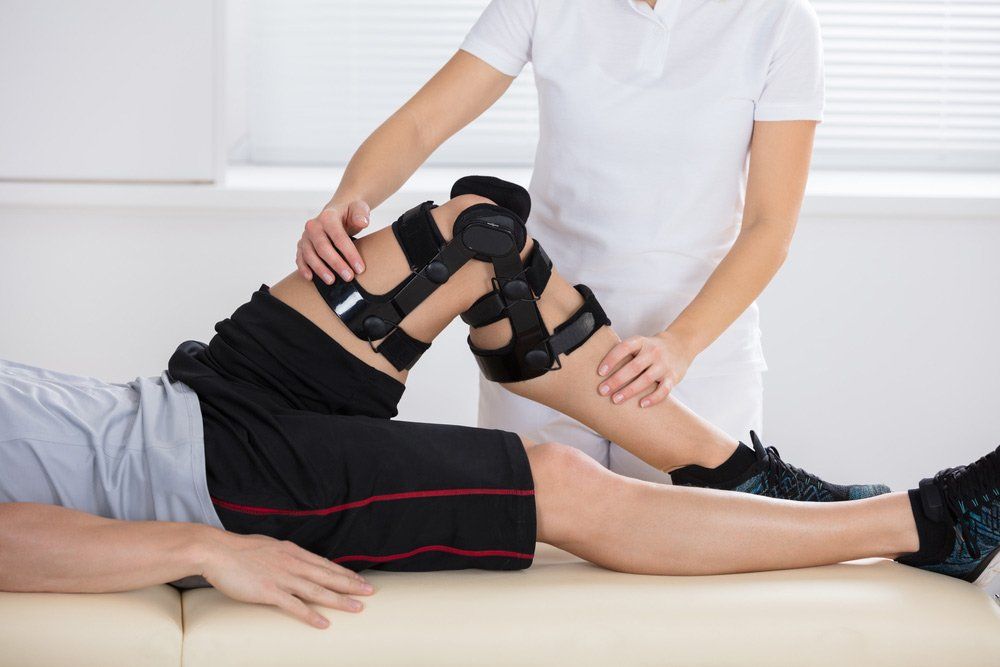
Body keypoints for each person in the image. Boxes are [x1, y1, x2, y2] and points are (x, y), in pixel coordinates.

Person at [1, 185, 997, 631]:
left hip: (196, 396)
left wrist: (347, 197)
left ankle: (746, 477)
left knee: (476, 234)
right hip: (215, 482)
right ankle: (926, 525)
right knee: (560, 479)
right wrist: (204, 549)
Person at [294, 0, 826, 483]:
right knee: (529, 545)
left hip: (694, 358)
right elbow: (421, 123)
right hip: (537, 336)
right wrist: (348, 198)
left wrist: (680, 344)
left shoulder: (779, 20)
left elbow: (769, 226)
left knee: (702, 546)